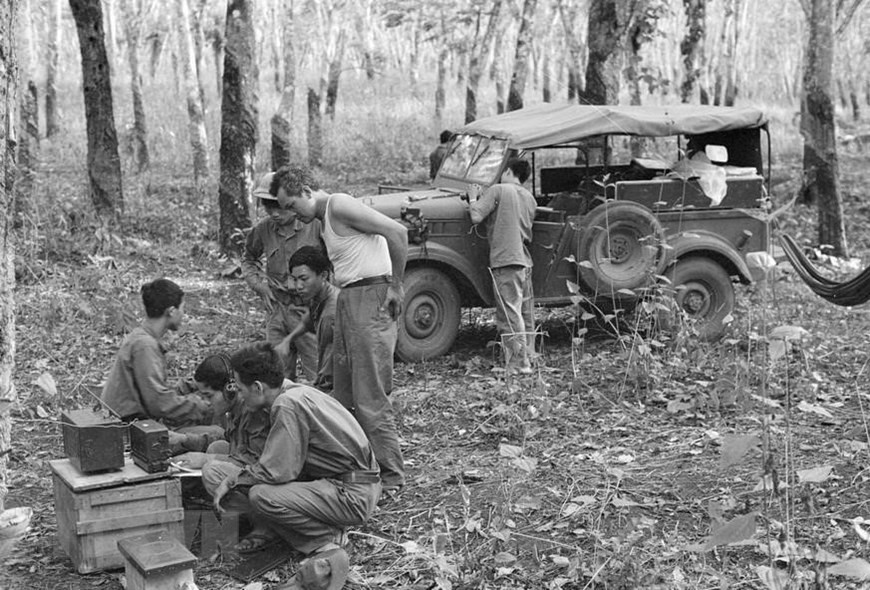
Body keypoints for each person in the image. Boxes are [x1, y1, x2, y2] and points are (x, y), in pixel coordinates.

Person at [271, 164, 407, 497]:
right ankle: (359, 465)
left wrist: (396, 287)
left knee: (370, 394)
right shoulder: (322, 222)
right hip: (349, 297)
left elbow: (398, 233)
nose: (291, 215)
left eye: (291, 205)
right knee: (342, 392)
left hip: (370, 294)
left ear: (306, 190)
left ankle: (391, 475)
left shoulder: (340, 205)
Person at [203, 342, 380, 589]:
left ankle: (325, 540)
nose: (239, 396)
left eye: (242, 390)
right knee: (246, 485)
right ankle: (293, 531)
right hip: (351, 483)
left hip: (351, 493)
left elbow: (278, 471)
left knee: (261, 495)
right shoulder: (293, 392)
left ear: (257, 387)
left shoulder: (286, 405)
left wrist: (233, 479)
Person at [100, 279, 222, 449]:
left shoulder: (140, 337)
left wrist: (190, 386)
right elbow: (159, 403)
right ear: (171, 311)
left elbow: (154, 390)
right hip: (128, 433)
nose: (183, 314)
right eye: (182, 309)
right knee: (217, 433)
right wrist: (201, 406)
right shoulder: (145, 346)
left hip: (130, 426)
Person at [243, 172, 321, 381]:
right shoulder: (263, 230)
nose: (274, 213)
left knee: (319, 373)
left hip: (308, 312)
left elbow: (333, 264)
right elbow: (249, 259)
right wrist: (260, 287)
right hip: (277, 309)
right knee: (276, 375)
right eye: (267, 207)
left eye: (278, 205)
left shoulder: (315, 225)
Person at [467, 158, 537, 374]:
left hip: (506, 259)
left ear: (507, 171)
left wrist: (472, 198)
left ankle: (519, 364)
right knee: (524, 312)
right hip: (524, 260)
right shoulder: (529, 197)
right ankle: (530, 356)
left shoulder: (498, 190)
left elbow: (476, 216)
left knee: (509, 313)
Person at [172, 353, 270, 469]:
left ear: (229, 391)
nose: (206, 402)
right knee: (217, 447)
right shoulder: (233, 411)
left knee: (211, 468)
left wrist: (205, 459)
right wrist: (184, 439)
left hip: (262, 475)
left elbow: (255, 462)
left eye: (209, 396)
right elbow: (225, 439)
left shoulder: (253, 410)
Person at [279, 246, 339, 393]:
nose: (298, 286)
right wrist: (287, 340)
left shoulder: (330, 314)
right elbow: (308, 320)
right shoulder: (316, 295)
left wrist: (314, 387)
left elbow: (331, 365)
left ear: (323, 275)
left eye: (304, 279)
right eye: (295, 279)